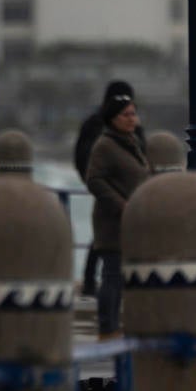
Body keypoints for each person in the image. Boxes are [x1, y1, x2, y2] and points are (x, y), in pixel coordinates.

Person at [84, 95, 148, 337]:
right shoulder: (105, 145)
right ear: (113, 118)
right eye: (126, 114)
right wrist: (122, 205)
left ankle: (115, 326)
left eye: (134, 113)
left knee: (121, 276)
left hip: (130, 222)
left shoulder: (129, 142)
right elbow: (94, 180)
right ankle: (107, 328)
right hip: (112, 222)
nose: (132, 119)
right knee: (111, 276)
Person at [75, 80, 140, 297]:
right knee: (107, 249)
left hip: (124, 194)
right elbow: (89, 165)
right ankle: (93, 287)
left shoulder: (127, 129)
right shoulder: (101, 132)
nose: (131, 118)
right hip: (113, 194)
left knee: (105, 245)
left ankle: (91, 283)